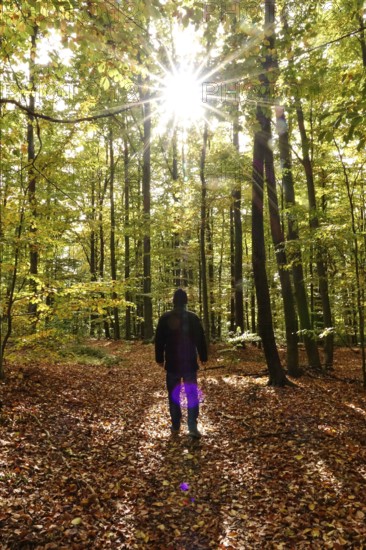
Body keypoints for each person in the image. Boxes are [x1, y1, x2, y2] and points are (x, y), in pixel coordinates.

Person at [155, 289, 208, 438]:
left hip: (172, 363)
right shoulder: (193, 318)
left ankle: (176, 425)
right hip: (189, 363)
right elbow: (200, 339)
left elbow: (159, 341)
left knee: (174, 395)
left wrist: (159, 358)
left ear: (173, 301)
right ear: (186, 301)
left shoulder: (165, 318)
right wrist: (203, 356)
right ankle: (192, 427)